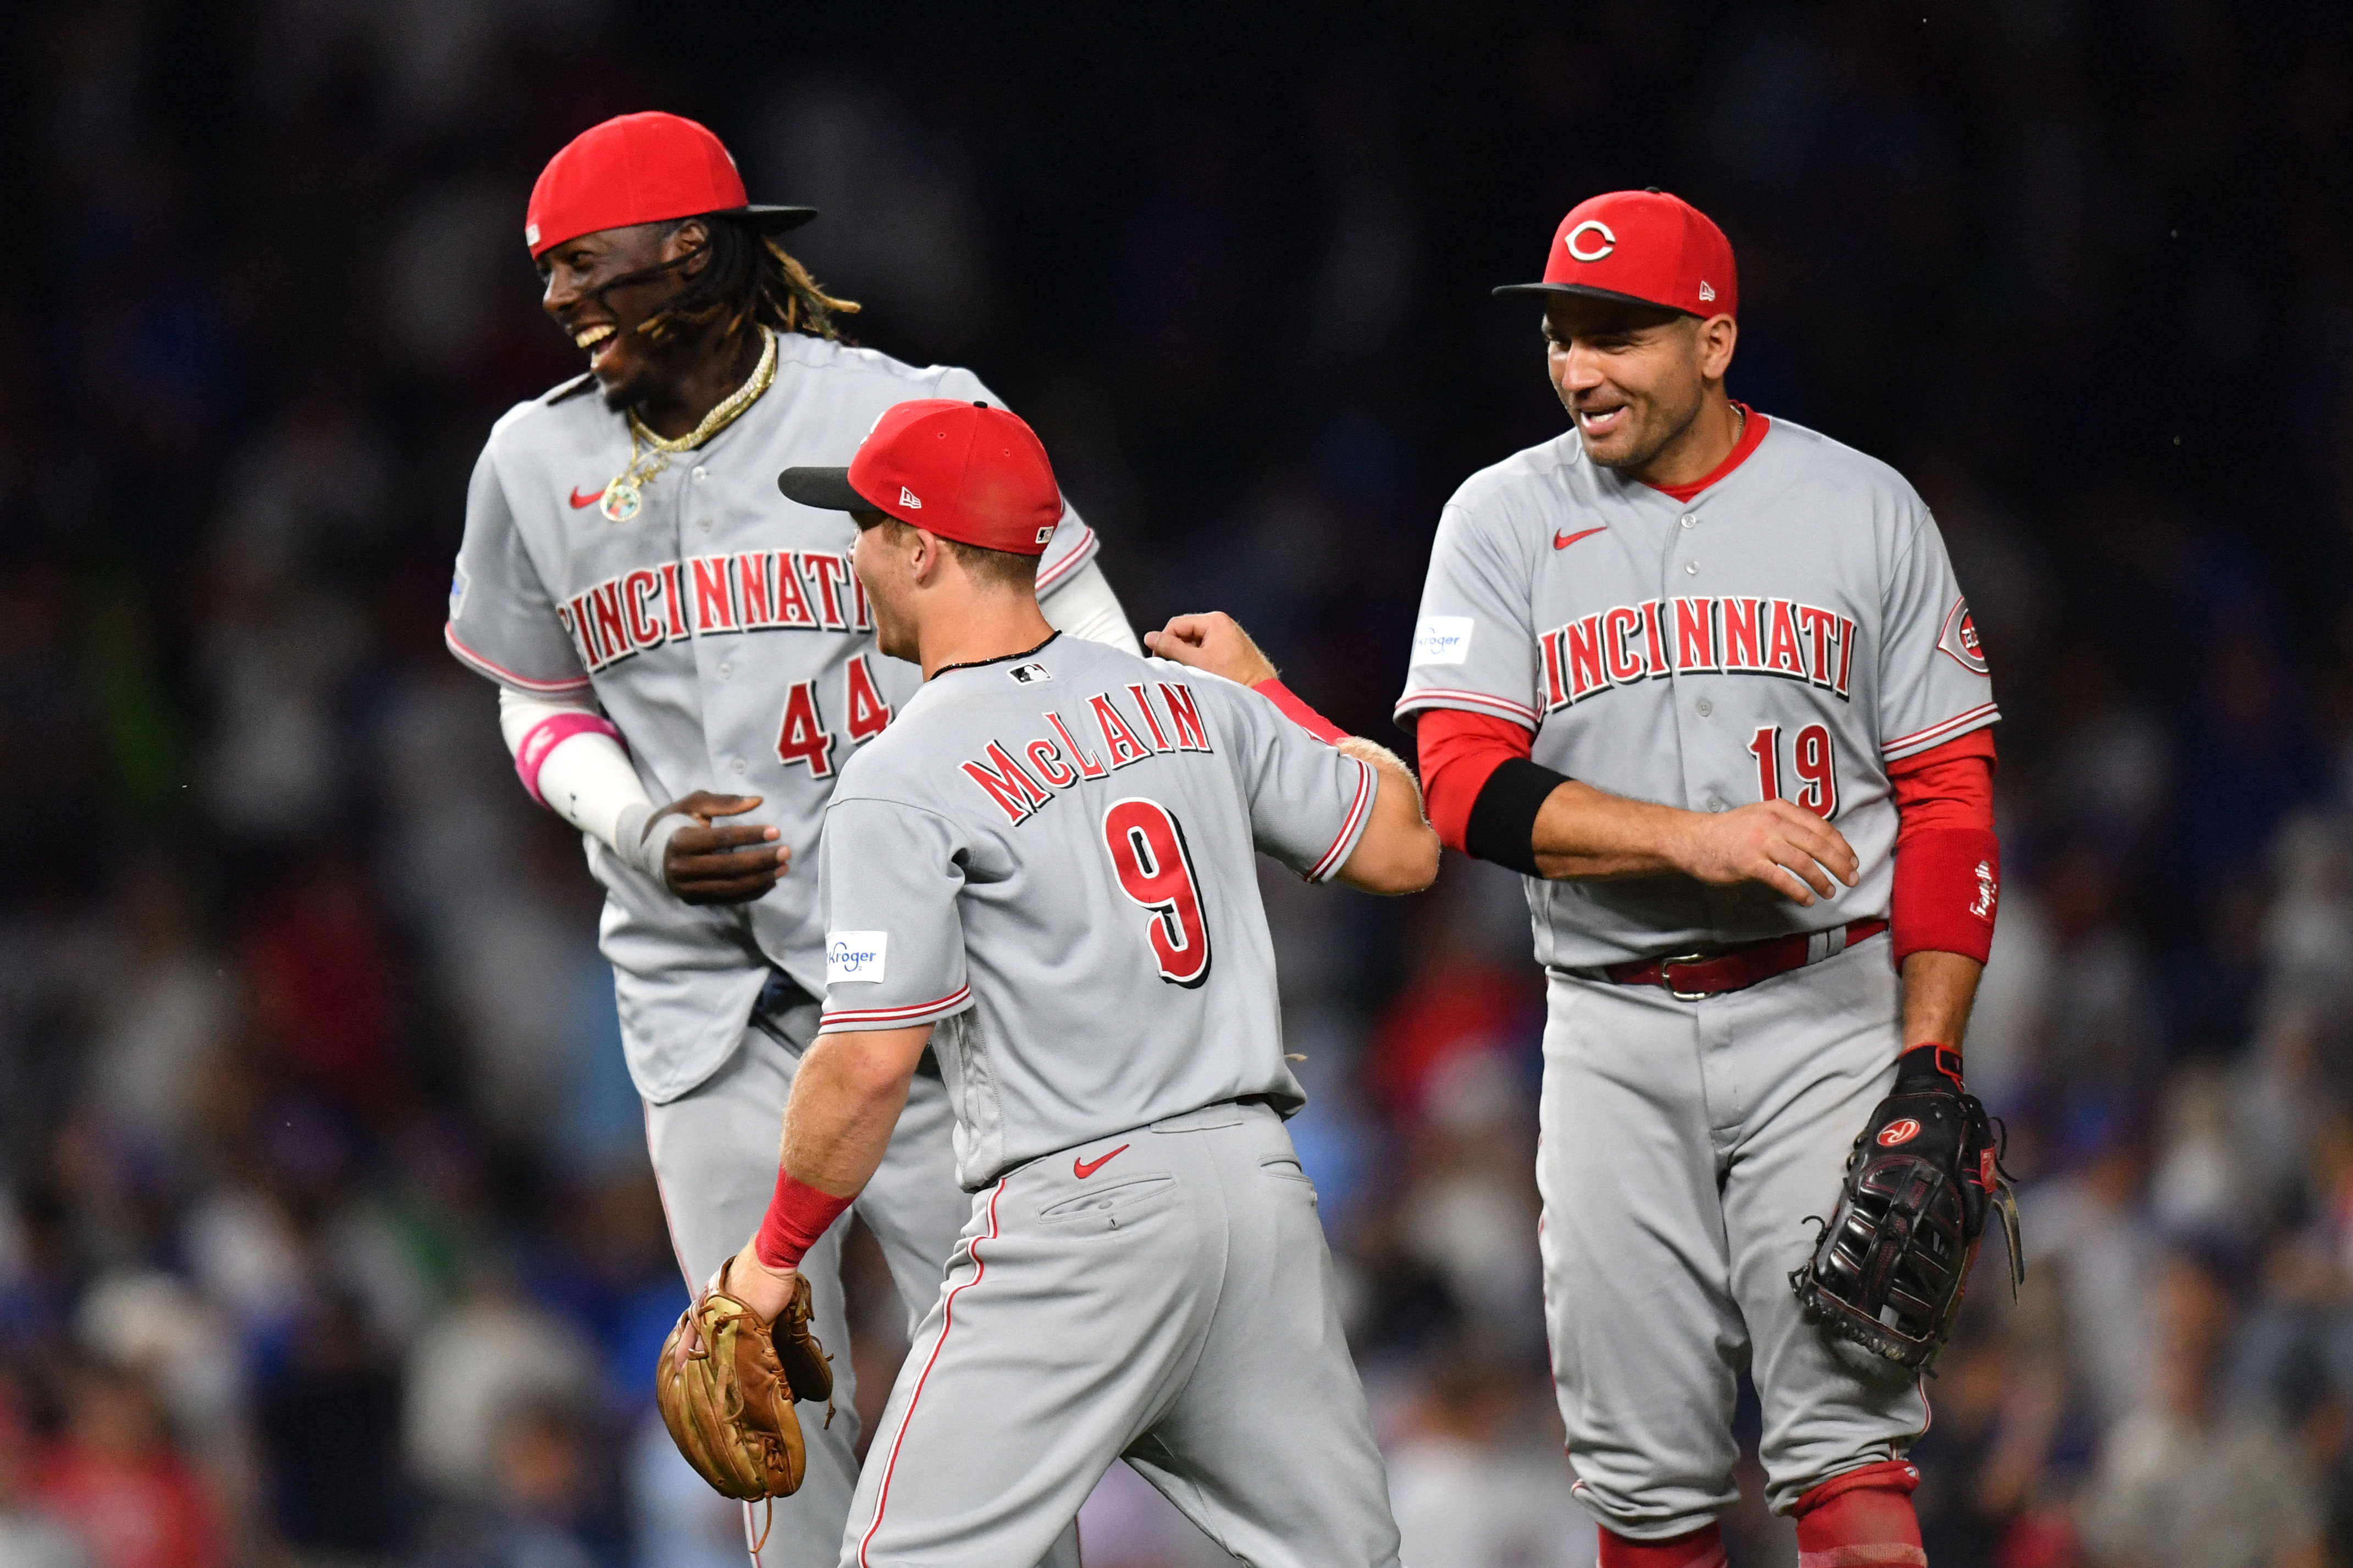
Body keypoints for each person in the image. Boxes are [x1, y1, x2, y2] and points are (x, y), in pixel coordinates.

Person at [441, 110, 1139, 1566]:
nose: (557, 298)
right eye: (545, 274)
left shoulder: (909, 410)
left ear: (691, 247)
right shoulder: (530, 458)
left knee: (1010, 1391)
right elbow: (533, 700)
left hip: (932, 985)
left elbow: (1086, 639)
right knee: (763, 1406)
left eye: (583, 265)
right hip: (702, 1000)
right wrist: (632, 821)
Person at [711, 397, 1437, 1566]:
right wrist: (1271, 693)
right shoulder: (1189, 701)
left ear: (921, 546)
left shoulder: (902, 773)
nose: (848, 551)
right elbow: (1405, 847)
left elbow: (865, 1064)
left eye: (862, 524)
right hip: (1255, 1196)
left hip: (1081, 1214)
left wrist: (769, 1260)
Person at [1393, 189, 2006, 1568]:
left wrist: (1929, 1064)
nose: (1577, 368)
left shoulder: (1862, 507)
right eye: (1560, 334)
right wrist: (1696, 835)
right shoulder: (1500, 516)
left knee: (1852, 1459)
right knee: (1646, 1485)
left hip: (1822, 1012)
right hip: (1610, 1025)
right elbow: (1457, 781)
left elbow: (1950, 796)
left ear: (1714, 340)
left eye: (1617, 334)